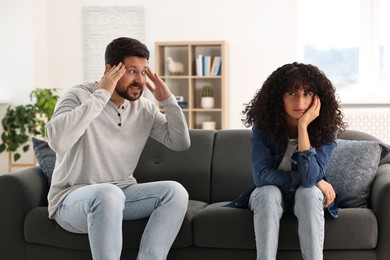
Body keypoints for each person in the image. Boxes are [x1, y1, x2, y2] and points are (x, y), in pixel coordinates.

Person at [46, 37, 191, 260]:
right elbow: (57, 141)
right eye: (132, 71)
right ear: (109, 70)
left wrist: (168, 100)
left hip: (122, 193)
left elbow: (180, 142)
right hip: (72, 199)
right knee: (108, 193)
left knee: (175, 192)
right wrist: (101, 95)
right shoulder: (77, 96)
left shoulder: (144, 108)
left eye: (144, 72)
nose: (140, 80)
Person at [227, 62, 346, 260]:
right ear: (279, 97)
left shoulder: (326, 128)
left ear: (317, 98)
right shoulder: (263, 126)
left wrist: (303, 128)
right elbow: (261, 176)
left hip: (305, 195)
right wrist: (315, 179)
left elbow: (308, 182)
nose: (300, 102)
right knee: (268, 192)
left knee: (308, 193)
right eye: (292, 93)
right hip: (269, 195)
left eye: (307, 93)